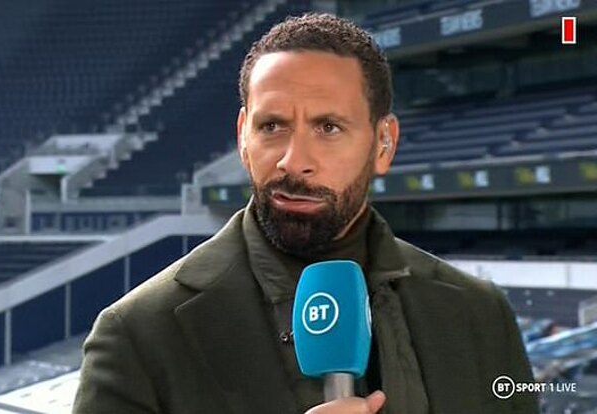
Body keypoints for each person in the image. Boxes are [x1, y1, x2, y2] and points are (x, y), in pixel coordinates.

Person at [73, 13, 538, 414]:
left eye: (328, 127)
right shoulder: (137, 334)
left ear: (384, 144)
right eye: (272, 126)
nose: (294, 161)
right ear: (243, 136)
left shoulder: (481, 313)